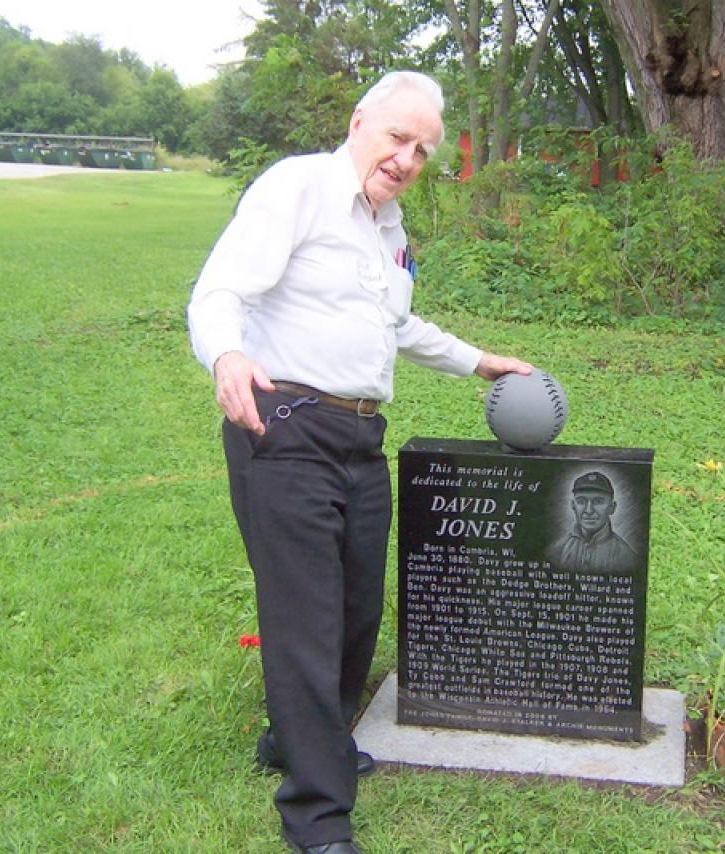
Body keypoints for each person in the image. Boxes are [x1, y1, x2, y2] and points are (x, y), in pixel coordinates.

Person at [186, 70, 531, 854]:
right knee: (306, 616)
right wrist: (227, 355)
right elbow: (219, 291)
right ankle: (317, 814)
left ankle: (302, 738)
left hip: (359, 438)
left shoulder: (390, 228)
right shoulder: (297, 189)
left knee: (355, 609)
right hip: (285, 425)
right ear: (358, 122)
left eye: (424, 150)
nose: (407, 159)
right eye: (398, 138)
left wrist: (479, 362)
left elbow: (396, 325)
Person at [547, 471, 638, 574]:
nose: (589, 511)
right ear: (573, 505)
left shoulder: (626, 557)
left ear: (612, 508)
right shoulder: (558, 551)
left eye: (598, 502)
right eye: (581, 502)